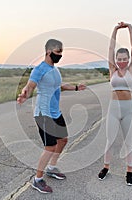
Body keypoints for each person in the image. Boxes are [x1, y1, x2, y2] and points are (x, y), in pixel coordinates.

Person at [17, 39, 86, 193]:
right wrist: (24, 94)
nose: (60, 55)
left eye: (61, 52)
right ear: (48, 51)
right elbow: (30, 86)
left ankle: (51, 168)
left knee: (63, 140)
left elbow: (59, 86)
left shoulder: (55, 70)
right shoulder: (39, 69)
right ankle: (38, 179)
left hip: (55, 112)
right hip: (43, 113)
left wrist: (75, 87)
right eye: (58, 52)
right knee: (50, 146)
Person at [98, 21, 132, 186]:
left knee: (129, 141)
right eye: (119, 59)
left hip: (128, 109)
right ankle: (106, 167)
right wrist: (114, 30)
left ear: (129, 59)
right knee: (110, 140)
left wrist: (129, 27)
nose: (121, 61)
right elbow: (110, 49)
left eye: (124, 59)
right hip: (114, 109)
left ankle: (129, 171)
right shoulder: (112, 70)